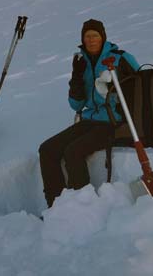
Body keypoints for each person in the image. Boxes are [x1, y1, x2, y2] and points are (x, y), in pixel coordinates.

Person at [38, 19, 140, 208]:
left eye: (95, 35)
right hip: (89, 119)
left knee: (73, 152)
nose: (91, 40)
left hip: (114, 122)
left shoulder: (120, 58)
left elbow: (143, 88)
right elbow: (76, 105)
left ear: (103, 37)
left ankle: (82, 207)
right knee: (47, 149)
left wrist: (115, 94)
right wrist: (76, 80)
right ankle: (56, 207)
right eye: (87, 36)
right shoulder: (81, 62)